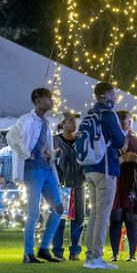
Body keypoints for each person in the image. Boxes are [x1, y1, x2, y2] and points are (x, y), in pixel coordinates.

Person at [6, 88, 64, 264]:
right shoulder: (26, 119)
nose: (51, 101)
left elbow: (44, 147)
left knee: (58, 208)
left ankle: (44, 248)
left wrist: (53, 154)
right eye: (48, 98)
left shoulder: (45, 122)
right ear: (38, 100)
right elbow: (12, 136)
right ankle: (28, 252)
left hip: (46, 169)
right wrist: (26, 153)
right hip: (33, 171)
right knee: (33, 211)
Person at [78, 82, 125, 270]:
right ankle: (96, 256)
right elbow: (120, 140)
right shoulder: (108, 115)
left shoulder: (88, 114)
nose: (114, 98)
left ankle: (90, 254)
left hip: (89, 169)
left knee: (95, 214)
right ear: (106, 96)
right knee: (103, 215)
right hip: (106, 169)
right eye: (112, 94)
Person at [109, 110, 137, 262]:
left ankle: (132, 254)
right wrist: (120, 160)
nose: (129, 123)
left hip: (131, 183)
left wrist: (135, 158)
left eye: (131, 120)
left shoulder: (136, 142)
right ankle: (115, 253)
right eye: (126, 120)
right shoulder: (110, 140)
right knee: (115, 218)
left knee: (131, 219)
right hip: (115, 183)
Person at [53, 110, 85, 261]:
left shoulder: (81, 140)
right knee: (59, 218)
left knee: (79, 218)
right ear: (63, 124)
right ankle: (58, 250)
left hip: (78, 183)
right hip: (61, 185)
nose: (74, 124)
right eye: (71, 121)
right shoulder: (55, 141)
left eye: (75, 121)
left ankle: (75, 251)